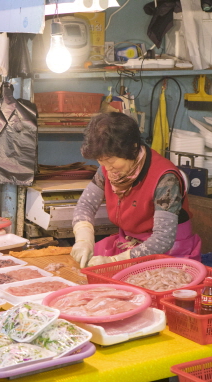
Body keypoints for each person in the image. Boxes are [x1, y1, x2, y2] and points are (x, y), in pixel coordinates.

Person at [71, 113, 201, 268]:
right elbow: (86, 204)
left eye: (111, 161)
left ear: (132, 148)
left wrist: (115, 261)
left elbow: (163, 239)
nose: (107, 168)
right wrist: (84, 239)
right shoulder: (109, 168)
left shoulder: (165, 178)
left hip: (166, 250)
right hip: (128, 243)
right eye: (101, 161)